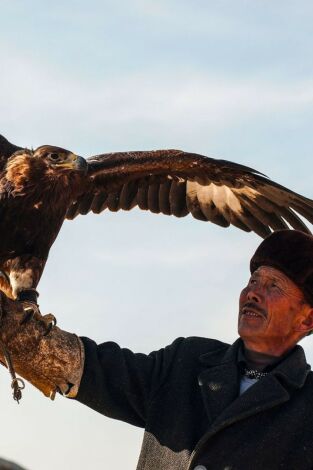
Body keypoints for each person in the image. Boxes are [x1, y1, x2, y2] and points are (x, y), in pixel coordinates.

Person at [1, 229, 313, 470]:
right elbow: (96, 370)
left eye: (273, 286)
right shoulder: (188, 361)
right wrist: (18, 336)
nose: (253, 293)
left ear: (307, 318)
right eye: (253, 280)